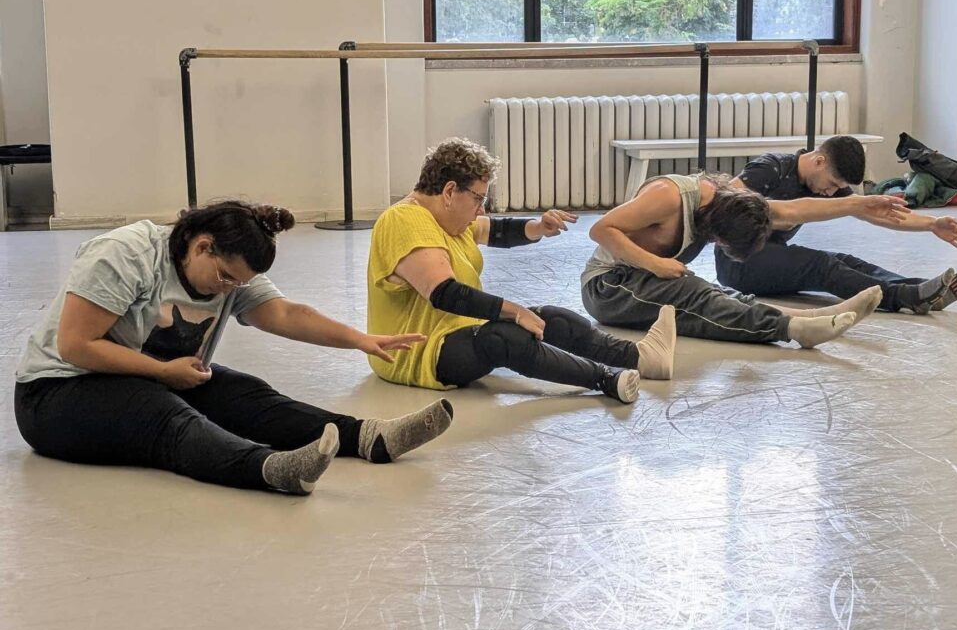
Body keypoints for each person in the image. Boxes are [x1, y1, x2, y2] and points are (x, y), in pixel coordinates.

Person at [14, 200, 452, 496]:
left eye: (240, 284)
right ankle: (268, 470)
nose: (229, 290)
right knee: (162, 412)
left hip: (137, 375)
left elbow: (284, 314)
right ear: (201, 245)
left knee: (245, 394)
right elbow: (75, 345)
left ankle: (369, 437)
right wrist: (165, 373)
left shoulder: (232, 269)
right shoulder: (125, 255)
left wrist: (360, 340)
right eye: (226, 278)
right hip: (55, 394)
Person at [366, 137, 678, 405]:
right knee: (503, 337)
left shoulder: (447, 218)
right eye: (478, 198)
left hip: (456, 333)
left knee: (550, 318)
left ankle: (641, 357)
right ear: (449, 191)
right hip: (414, 354)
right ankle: (607, 379)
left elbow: (496, 231)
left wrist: (538, 226)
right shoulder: (404, 221)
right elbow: (446, 295)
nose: (481, 209)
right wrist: (514, 311)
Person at [582, 171, 911, 347]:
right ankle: (790, 328)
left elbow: (795, 209)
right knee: (697, 293)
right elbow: (601, 228)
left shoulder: (731, 201)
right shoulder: (668, 197)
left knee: (716, 297)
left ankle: (810, 315)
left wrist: (857, 204)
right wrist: (655, 263)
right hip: (608, 287)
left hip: (644, 285)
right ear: (717, 225)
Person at [714, 135, 957, 314]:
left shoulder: (826, 185)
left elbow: (878, 213)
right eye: (832, 185)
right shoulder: (770, 168)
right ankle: (902, 298)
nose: (831, 193)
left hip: (772, 255)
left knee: (845, 260)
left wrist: (931, 224)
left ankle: (925, 288)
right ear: (819, 161)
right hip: (738, 262)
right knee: (819, 265)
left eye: (838, 189)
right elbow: (725, 203)